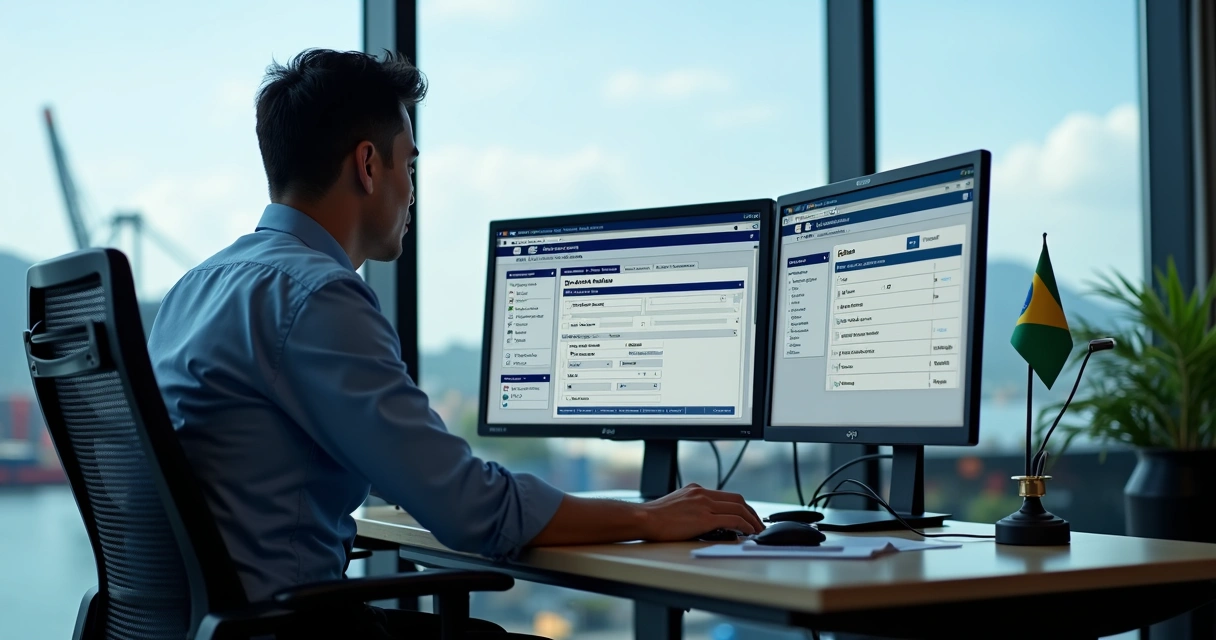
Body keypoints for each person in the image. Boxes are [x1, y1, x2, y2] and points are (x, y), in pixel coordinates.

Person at [147, 48, 764, 639]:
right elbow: (473, 511)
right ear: (368, 166)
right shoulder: (316, 296)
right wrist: (646, 517)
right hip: (285, 629)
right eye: (408, 164)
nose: (412, 190)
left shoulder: (194, 289)